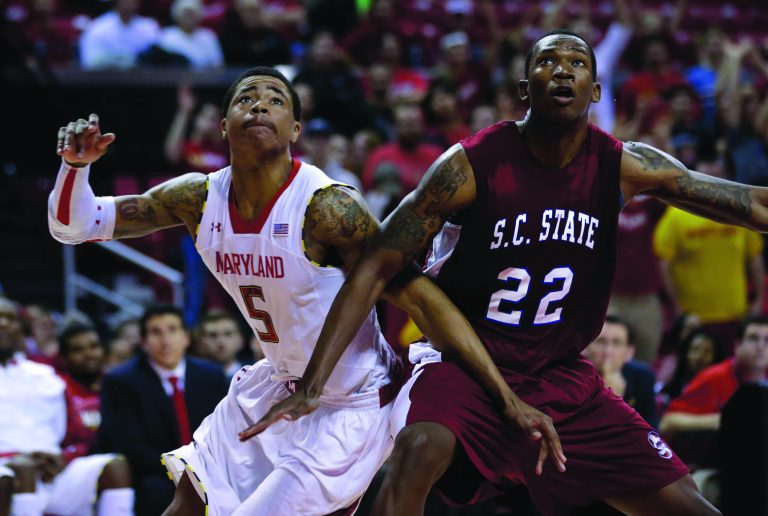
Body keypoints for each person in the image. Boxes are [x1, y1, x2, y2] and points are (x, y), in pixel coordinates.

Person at [252, 30, 750, 515]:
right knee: (418, 448)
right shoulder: (468, 166)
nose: (563, 71)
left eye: (577, 64)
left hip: (560, 375)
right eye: (548, 61)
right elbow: (376, 265)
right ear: (523, 88)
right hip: (464, 367)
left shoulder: (623, 165)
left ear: (595, 91)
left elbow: (747, 203)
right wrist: (314, 382)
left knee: (690, 506)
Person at [47, 66, 539, 515]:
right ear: (222, 126)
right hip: (276, 385)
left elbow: (418, 298)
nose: (259, 105)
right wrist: (75, 167)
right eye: (246, 98)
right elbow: (76, 225)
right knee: (187, 502)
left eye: (276, 100)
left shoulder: (327, 208)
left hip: (350, 400)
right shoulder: (196, 199)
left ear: (295, 132)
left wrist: (502, 392)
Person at [0, 297, 134, 516]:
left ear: (20, 328)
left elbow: (75, 433)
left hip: (50, 469)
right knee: (22, 471)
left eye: (10, 319)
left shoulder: (45, 375)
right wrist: (17, 458)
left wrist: (63, 457)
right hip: (7, 470)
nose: (3, 324)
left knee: (114, 466)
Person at [97, 305, 228, 515]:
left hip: (207, 469)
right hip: (154, 473)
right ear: (143, 341)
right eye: (156, 332)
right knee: (155, 490)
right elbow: (127, 444)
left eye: (172, 330)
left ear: (186, 337)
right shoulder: (121, 381)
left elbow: (223, 430)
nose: (166, 341)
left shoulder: (211, 376)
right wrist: (181, 472)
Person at [584, 315, 658, 427]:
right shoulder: (572, 375)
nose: (608, 351)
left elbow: (649, 430)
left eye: (617, 343)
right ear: (586, 347)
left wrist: (617, 403)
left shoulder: (642, 376)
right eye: (600, 341)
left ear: (629, 352)